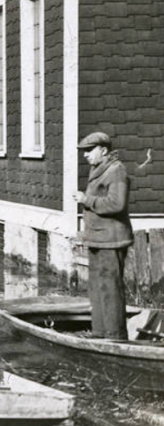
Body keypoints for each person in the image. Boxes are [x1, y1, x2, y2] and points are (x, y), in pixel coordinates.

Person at [73, 131, 133, 340]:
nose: (85, 155)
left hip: (112, 240)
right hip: (98, 238)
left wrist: (86, 200)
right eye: (84, 151)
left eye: (89, 150)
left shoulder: (116, 170)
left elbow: (117, 203)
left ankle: (116, 336)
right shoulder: (99, 170)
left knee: (111, 289)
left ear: (104, 150)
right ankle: (99, 333)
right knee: (97, 288)